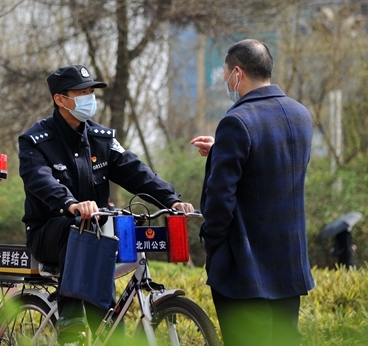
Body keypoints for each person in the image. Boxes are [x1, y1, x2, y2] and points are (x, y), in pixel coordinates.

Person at [18, 64, 194, 345]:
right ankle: (71, 326)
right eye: (82, 93)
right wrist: (70, 203)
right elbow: (38, 179)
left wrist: (171, 199)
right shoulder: (36, 141)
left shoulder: (102, 139)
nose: (89, 98)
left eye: (91, 92)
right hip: (48, 233)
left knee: (107, 309)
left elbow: (135, 171)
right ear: (60, 99)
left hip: (97, 231)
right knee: (76, 228)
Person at [191, 39, 315, 346]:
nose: (224, 81)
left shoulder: (236, 122)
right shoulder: (301, 115)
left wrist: (213, 241)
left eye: (225, 74)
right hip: (289, 265)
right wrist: (222, 150)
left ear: (237, 72)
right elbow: (273, 167)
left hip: (246, 270)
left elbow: (220, 201)